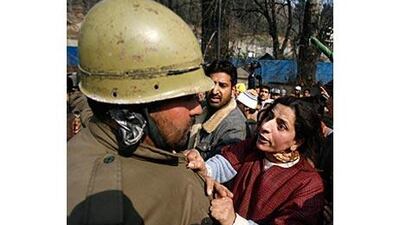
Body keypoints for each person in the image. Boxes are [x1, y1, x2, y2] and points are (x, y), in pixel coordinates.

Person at [68, 0, 216, 224]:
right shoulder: (178, 193)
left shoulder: (79, 150)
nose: (196, 109)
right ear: (136, 107)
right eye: (185, 97)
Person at [186, 96, 325, 225]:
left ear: (297, 142)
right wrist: (203, 168)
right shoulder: (252, 147)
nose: (265, 126)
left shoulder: (309, 184)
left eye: (281, 126)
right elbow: (224, 163)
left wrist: (234, 221)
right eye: (269, 116)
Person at [187, 60, 247, 160]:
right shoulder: (200, 110)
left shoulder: (235, 126)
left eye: (222, 86)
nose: (215, 91)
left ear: (233, 90)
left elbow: (221, 167)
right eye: (211, 84)